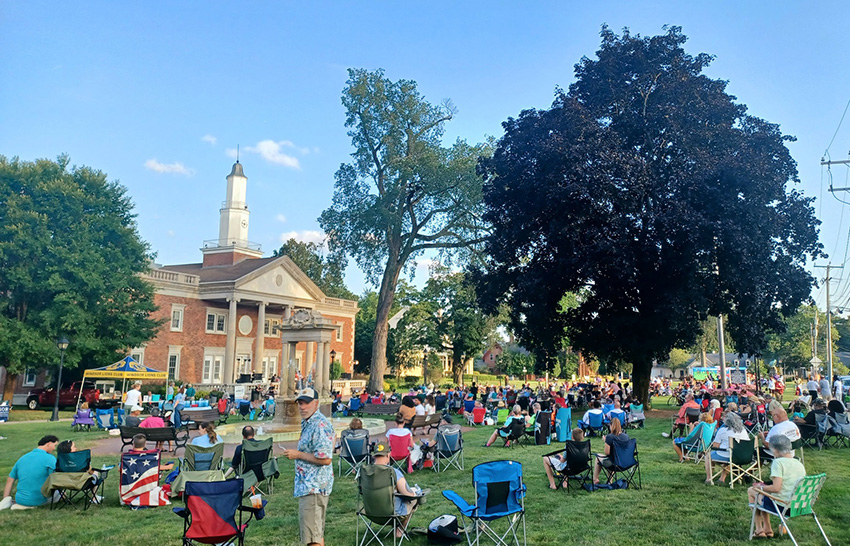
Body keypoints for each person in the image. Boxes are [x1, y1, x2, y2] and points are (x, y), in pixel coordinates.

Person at [282, 388, 334, 546]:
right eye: (300, 403)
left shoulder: (319, 425)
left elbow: (326, 459)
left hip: (314, 487)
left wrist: (298, 455)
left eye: (306, 403)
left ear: (316, 403)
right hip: (309, 486)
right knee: (316, 534)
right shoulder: (309, 423)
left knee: (311, 539)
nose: (302, 407)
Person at [747, 434, 806, 538]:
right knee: (764, 493)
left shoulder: (778, 463)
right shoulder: (798, 463)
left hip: (782, 506)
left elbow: (776, 488)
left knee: (752, 491)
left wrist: (760, 487)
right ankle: (767, 529)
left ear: (774, 450)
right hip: (798, 505)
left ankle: (759, 529)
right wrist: (764, 487)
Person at [371, 443, 421, 538]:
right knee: (414, 498)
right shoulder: (393, 472)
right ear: (388, 455)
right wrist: (415, 492)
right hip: (392, 513)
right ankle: (400, 530)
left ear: (374, 455)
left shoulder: (364, 472)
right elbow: (407, 494)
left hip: (371, 513)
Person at [1, 435, 59, 510]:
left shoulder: (22, 458)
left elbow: (10, 479)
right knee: (58, 494)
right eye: (54, 445)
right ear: (49, 444)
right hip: (39, 499)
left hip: (20, 500)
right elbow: (55, 479)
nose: (54, 448)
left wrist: (5, 498)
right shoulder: (50, 458)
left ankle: (8, 502)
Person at [704, 412, 749, 485]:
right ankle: (722, 479)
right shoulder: (743, 431)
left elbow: (715, 447)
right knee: (729, 455)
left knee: (708, 456)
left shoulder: (723, 430)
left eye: (723, 417)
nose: (722, 418)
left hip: (728, 456)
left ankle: (709, 479)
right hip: (743, 456)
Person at [592, 419, 629, 485]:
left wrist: (606, 441)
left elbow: (607, 453)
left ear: (611, 426)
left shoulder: (610, 437)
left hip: (615, 463)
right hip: (625, 462)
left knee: (599, 458)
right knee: (611, 459)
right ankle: (609, 481)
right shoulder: (626, 436)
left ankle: (595, 479)